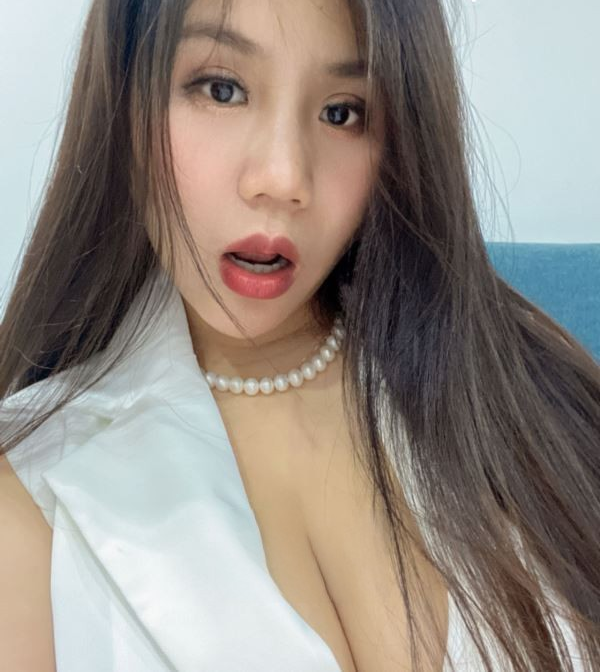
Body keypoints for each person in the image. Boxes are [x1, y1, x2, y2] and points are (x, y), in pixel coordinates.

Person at [0, 0, 598, 670]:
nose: (283, 180)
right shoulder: (31, 498)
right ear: (125, 96)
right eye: (222, 89)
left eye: (342, 112)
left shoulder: (532, 388)